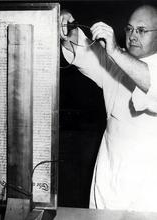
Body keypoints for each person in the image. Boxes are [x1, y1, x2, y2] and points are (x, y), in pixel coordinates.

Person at [60, 5, 157, 212]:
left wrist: (113, 50)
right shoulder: (115, 63)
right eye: (129, 29)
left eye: (141, 30)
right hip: (108, 179)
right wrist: (65, 26)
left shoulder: (130, 62)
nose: (132, 36)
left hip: (147, 189)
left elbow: (151, 82)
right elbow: (82, 49)